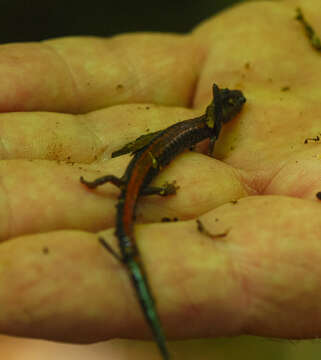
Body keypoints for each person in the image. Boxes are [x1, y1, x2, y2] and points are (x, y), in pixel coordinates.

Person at [0, 0, 320, 358]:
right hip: (142, 175)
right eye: (234, 108)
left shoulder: (204, 126)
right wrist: (163, 189)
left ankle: (116, 214)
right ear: (223, 115)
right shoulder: (208, 130)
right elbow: (207, 149)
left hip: (137, 174)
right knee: (131, 196)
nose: (239, 110)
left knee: (125, 191)